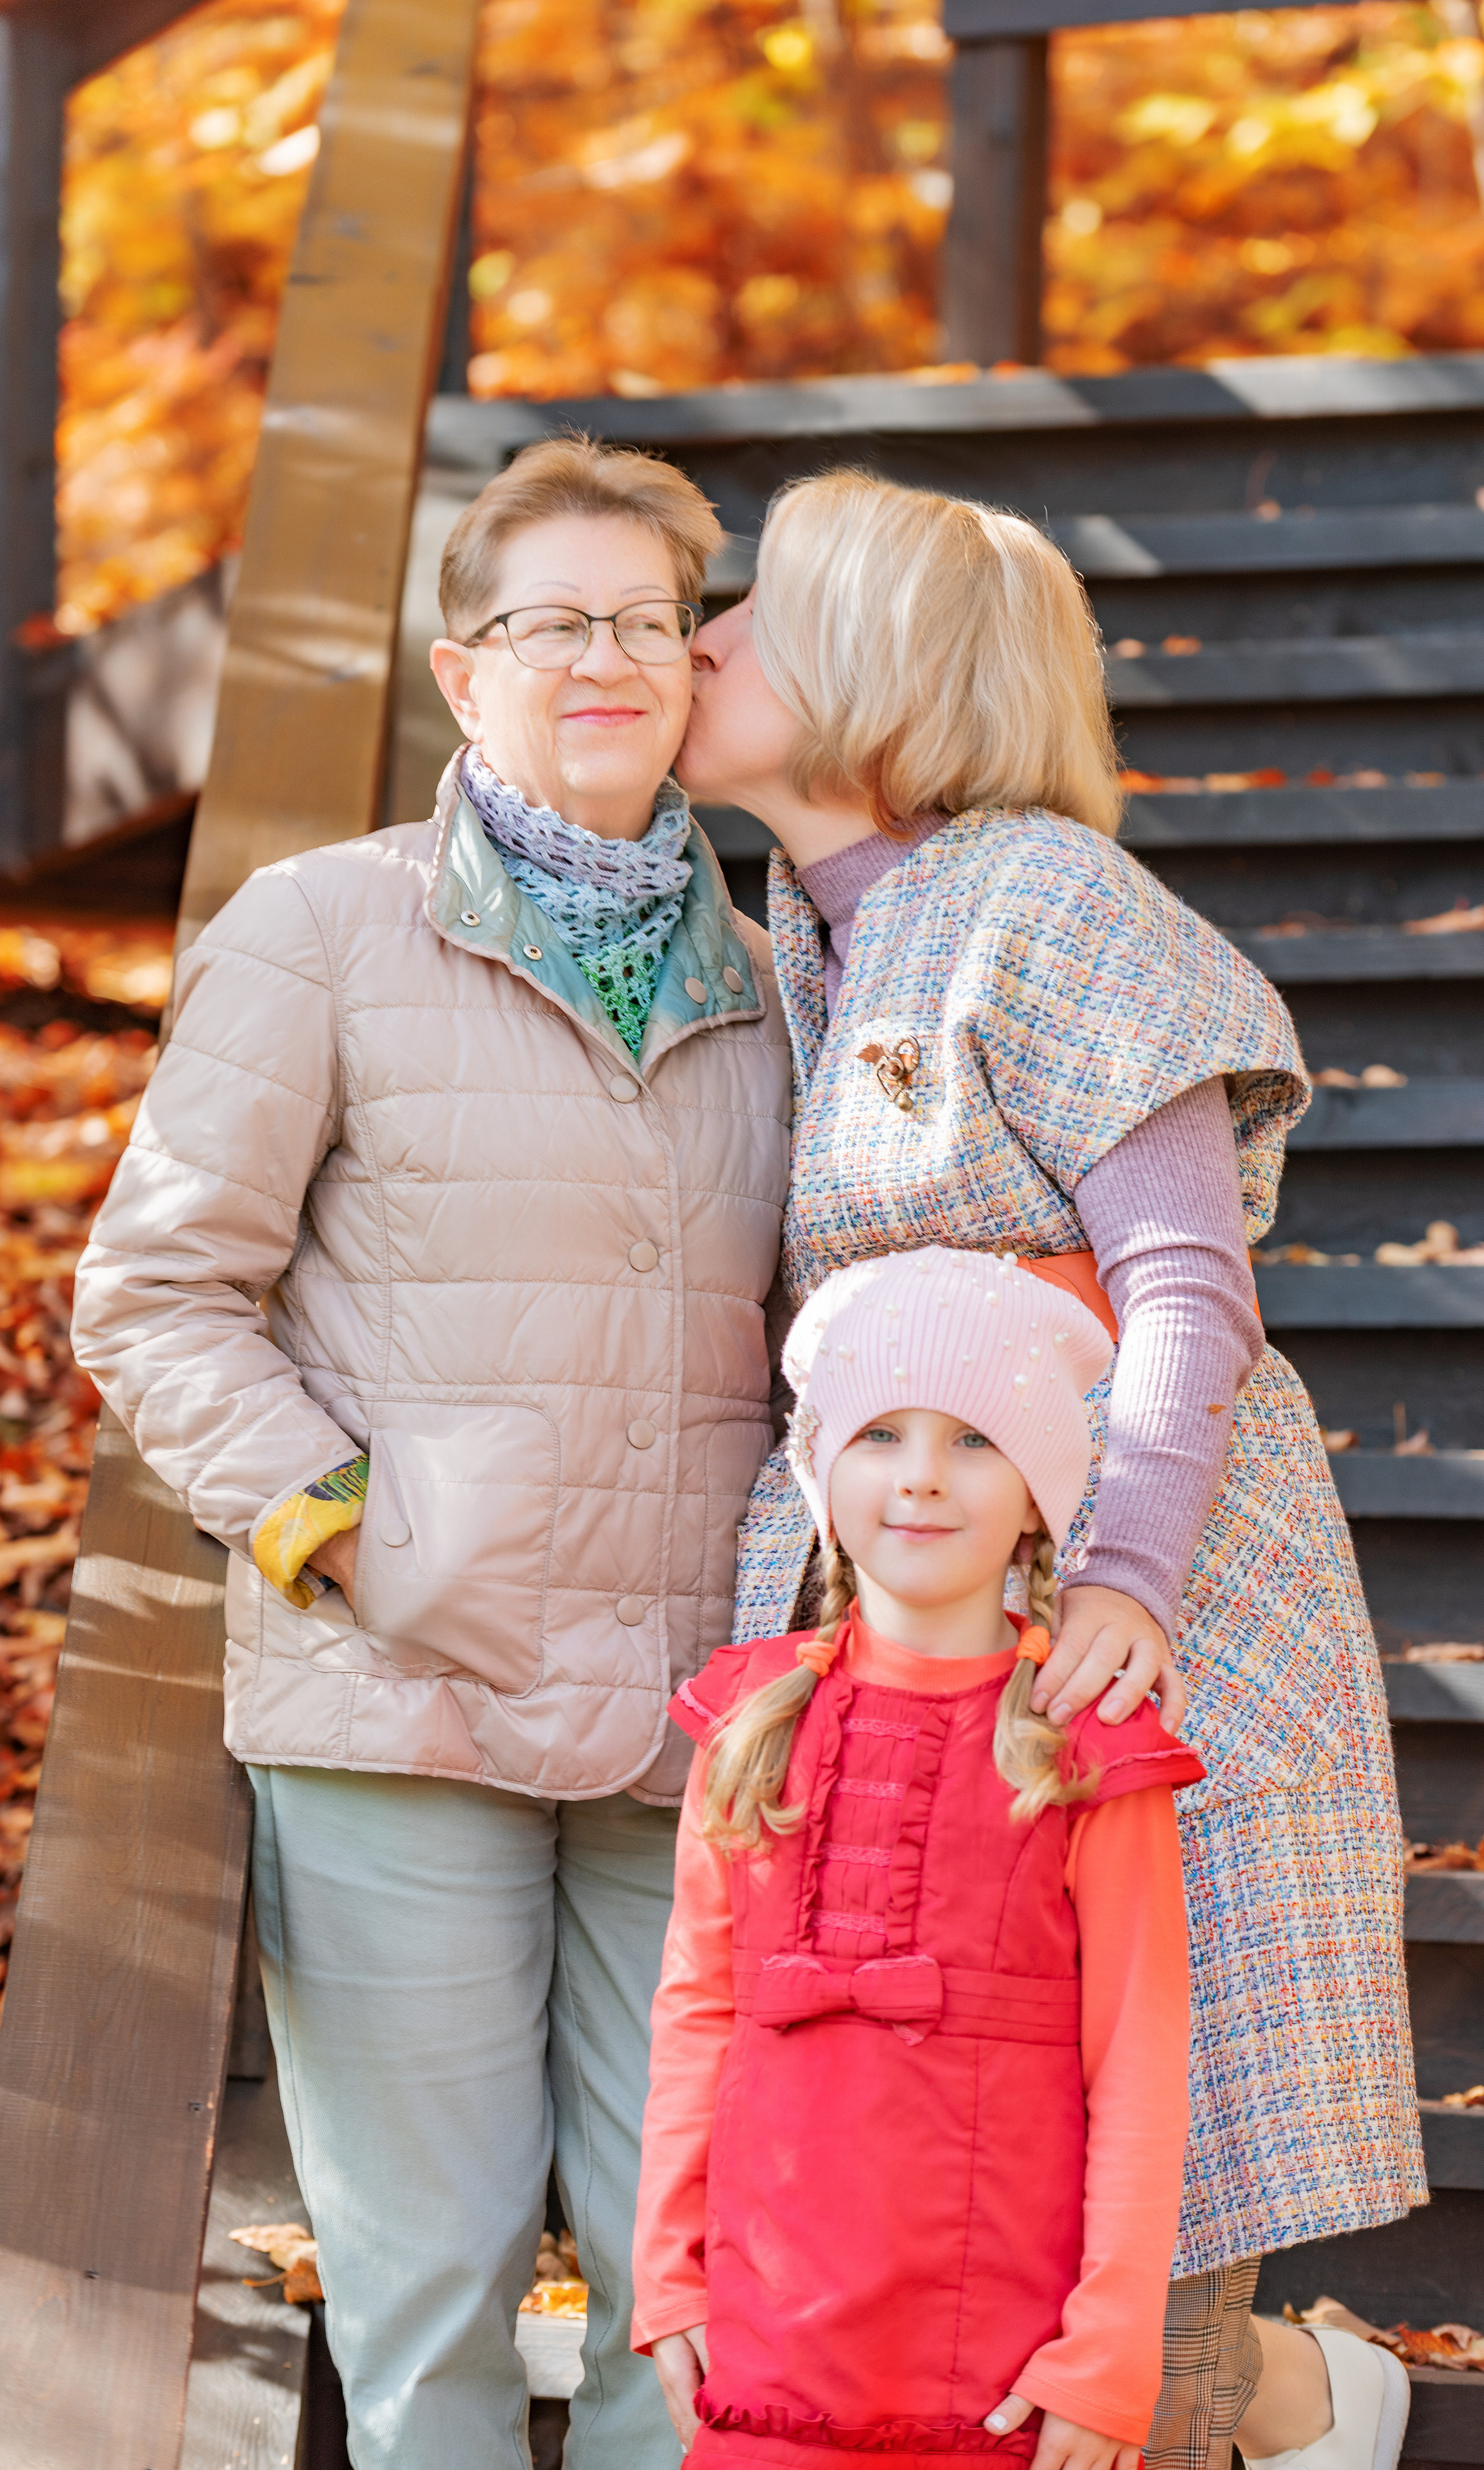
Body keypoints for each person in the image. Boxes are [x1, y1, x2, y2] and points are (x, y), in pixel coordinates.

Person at [674, 471, 1425, 2470]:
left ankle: (1284, 2397)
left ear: (878, 677)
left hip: (1119, 1633)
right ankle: (1317, 2403)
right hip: (927, 1641)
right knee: (969, 2198)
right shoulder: (807, 942)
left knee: (1128, 2216)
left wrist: (1131, 1582)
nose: (701, 635)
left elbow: (1189, 1281)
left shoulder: (1047, 895)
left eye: (752, 606)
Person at [71, 437, 792, 2470]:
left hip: (696, 1711)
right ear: (461, 669)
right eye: (555, 621)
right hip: (403, 1699)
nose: (610, 658)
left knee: (701, 2278)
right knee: (432, 2297)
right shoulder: (321, 928)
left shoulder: (785, 971)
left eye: (650, 619)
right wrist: (352, 1536)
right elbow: (151, 1294)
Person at [634, 1244, 1210, 2467]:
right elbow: (697, 2011)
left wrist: (1106, 2351)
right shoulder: (748, 1722)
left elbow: (1142, 2063)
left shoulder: (1085, 1751)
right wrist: (668, 2276)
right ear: (823, 1467)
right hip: (768, 2342)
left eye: (974, 1442)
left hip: (998, 2358)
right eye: (882, 1435)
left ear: (1040, 1489)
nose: (923, 1482)